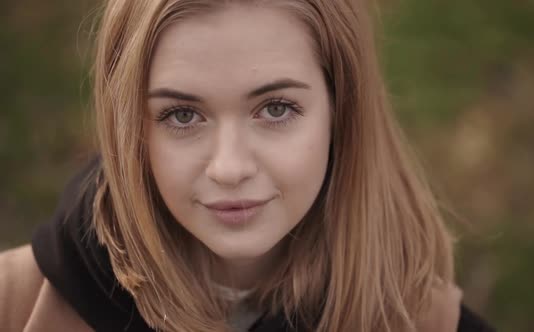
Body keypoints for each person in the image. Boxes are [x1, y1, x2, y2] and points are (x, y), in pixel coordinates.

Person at [0, 0, 495, 331]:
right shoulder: (13, 305)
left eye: (276, 108)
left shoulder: (427, 322)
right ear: (129, 128)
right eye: (182, 114)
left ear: (341, 113)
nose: (230, 168)